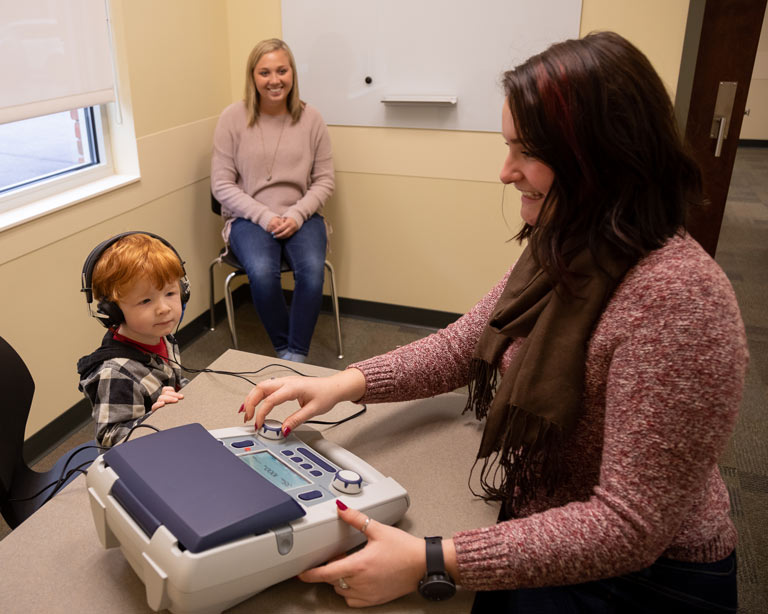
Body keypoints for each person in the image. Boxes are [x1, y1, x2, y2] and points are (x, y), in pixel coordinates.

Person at [241, 32, 748, 612]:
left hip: (645, 579)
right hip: (544, 514)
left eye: (526, 151)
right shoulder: (566, 240)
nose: (504, 172)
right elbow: (464, 345)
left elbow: (630, 526)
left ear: (603, 156)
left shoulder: (680, 301)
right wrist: (343, 383)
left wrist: (433, 560)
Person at [211, 38, 335, 363]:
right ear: (253, 76)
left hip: (303, 216)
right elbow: (221, 185)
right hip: (248, 218)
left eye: (282, 70)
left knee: (311, 272)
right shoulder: (231, 119)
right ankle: (284, 348)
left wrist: (296, 215)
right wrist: (265, 217)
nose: (274, 80)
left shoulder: (312, 119)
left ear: (293, 73)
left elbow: (324, 180)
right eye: (265, 72)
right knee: (263, 273)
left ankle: (296, 356)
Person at [78, 232, 189, 447]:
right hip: (143, 456)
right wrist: (154, 418)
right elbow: (110, 440)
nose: (164, 309)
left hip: (171, 437)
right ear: (113, 311)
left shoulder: (163, 337)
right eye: (145, 300)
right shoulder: (116, 373)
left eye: (170, 293)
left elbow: (175, 382)